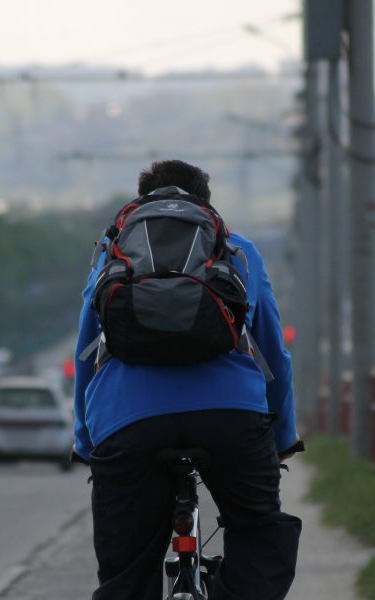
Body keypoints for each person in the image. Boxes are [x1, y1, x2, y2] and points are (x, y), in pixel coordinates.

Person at [74, 159, 302, 600]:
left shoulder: (112, 253)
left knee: (126, 567)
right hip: (231, 417)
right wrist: (280, 438)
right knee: (258, 531)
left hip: (128, 419)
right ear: (206, 207)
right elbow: (274, 354)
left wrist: (87, 442)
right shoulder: (239, 250)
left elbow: (86, 353)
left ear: (141, 204)